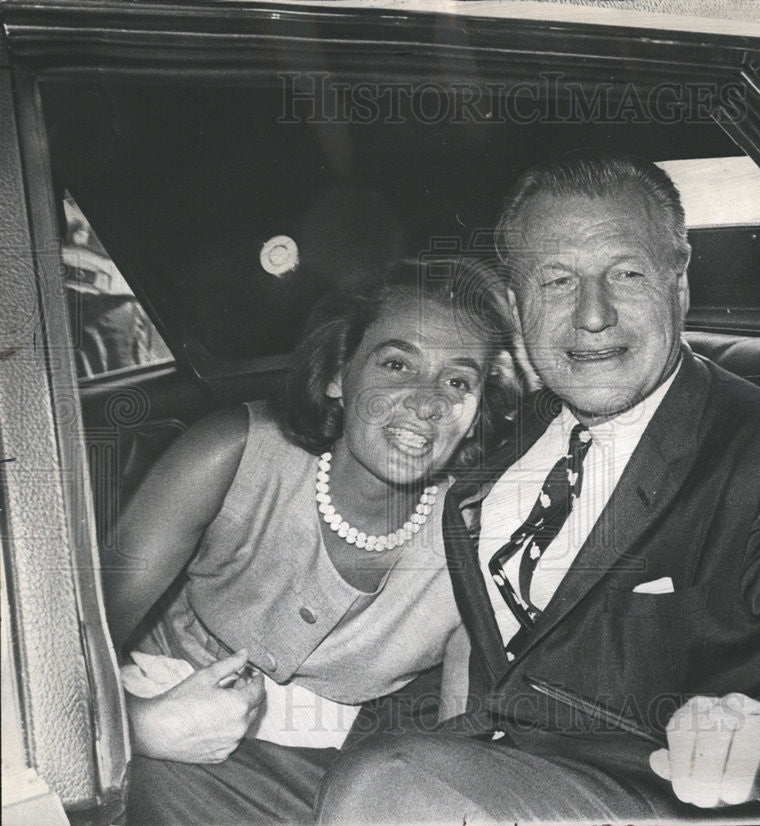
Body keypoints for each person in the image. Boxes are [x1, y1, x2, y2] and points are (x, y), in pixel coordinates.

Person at [315, 150, 760, 823]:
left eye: (625, 273)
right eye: (558, 280)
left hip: (650, 800)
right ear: (516, 304)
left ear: (678, 286)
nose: (593, 315)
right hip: (476, 762)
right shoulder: (508, 429)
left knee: (383, 784)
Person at [100, 258, 519, 823]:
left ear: (476, 411)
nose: (427, 402)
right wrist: (139, 726)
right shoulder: (230, 453)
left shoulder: (479, 537)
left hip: (327, 773)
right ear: (337, 376)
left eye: (458, 381)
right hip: (152, 707)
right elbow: (70, 642)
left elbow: (456, 744)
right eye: (397, 364)